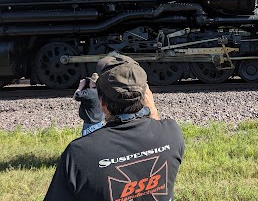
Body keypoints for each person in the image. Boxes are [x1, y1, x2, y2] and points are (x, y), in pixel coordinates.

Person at [44, 55, 185, 201]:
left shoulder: (78, 153)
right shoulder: (172, 133)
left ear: (101, 103)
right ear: (146, 96)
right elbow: (157, 131)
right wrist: (153, 110)